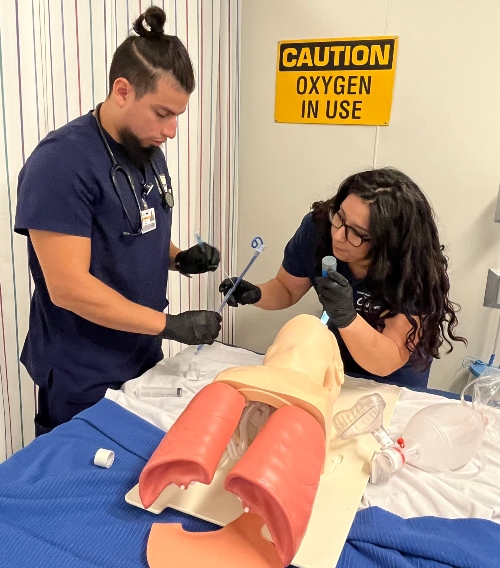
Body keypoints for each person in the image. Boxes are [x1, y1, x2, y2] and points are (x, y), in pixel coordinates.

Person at [14, 6, 222, 435]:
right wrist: (172, 326)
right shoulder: (61, 163)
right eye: (163, 113)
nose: (172, 130)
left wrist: (179, 258)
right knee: (83, 488)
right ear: (122, 90)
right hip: (83, 369)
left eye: (179, 115)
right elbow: (69, 287)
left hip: (141, 355)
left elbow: (131, 228)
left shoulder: (145, 152)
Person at [219, 167, 466, 388]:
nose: (338, 235)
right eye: (339, 217)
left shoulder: (413, 269)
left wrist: (346, 316)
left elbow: (388, 358)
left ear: (387, 245)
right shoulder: (318, 229)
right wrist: (255, 294)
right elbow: (287, 288)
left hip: (390, 380)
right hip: (335, 364)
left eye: (356, 233)